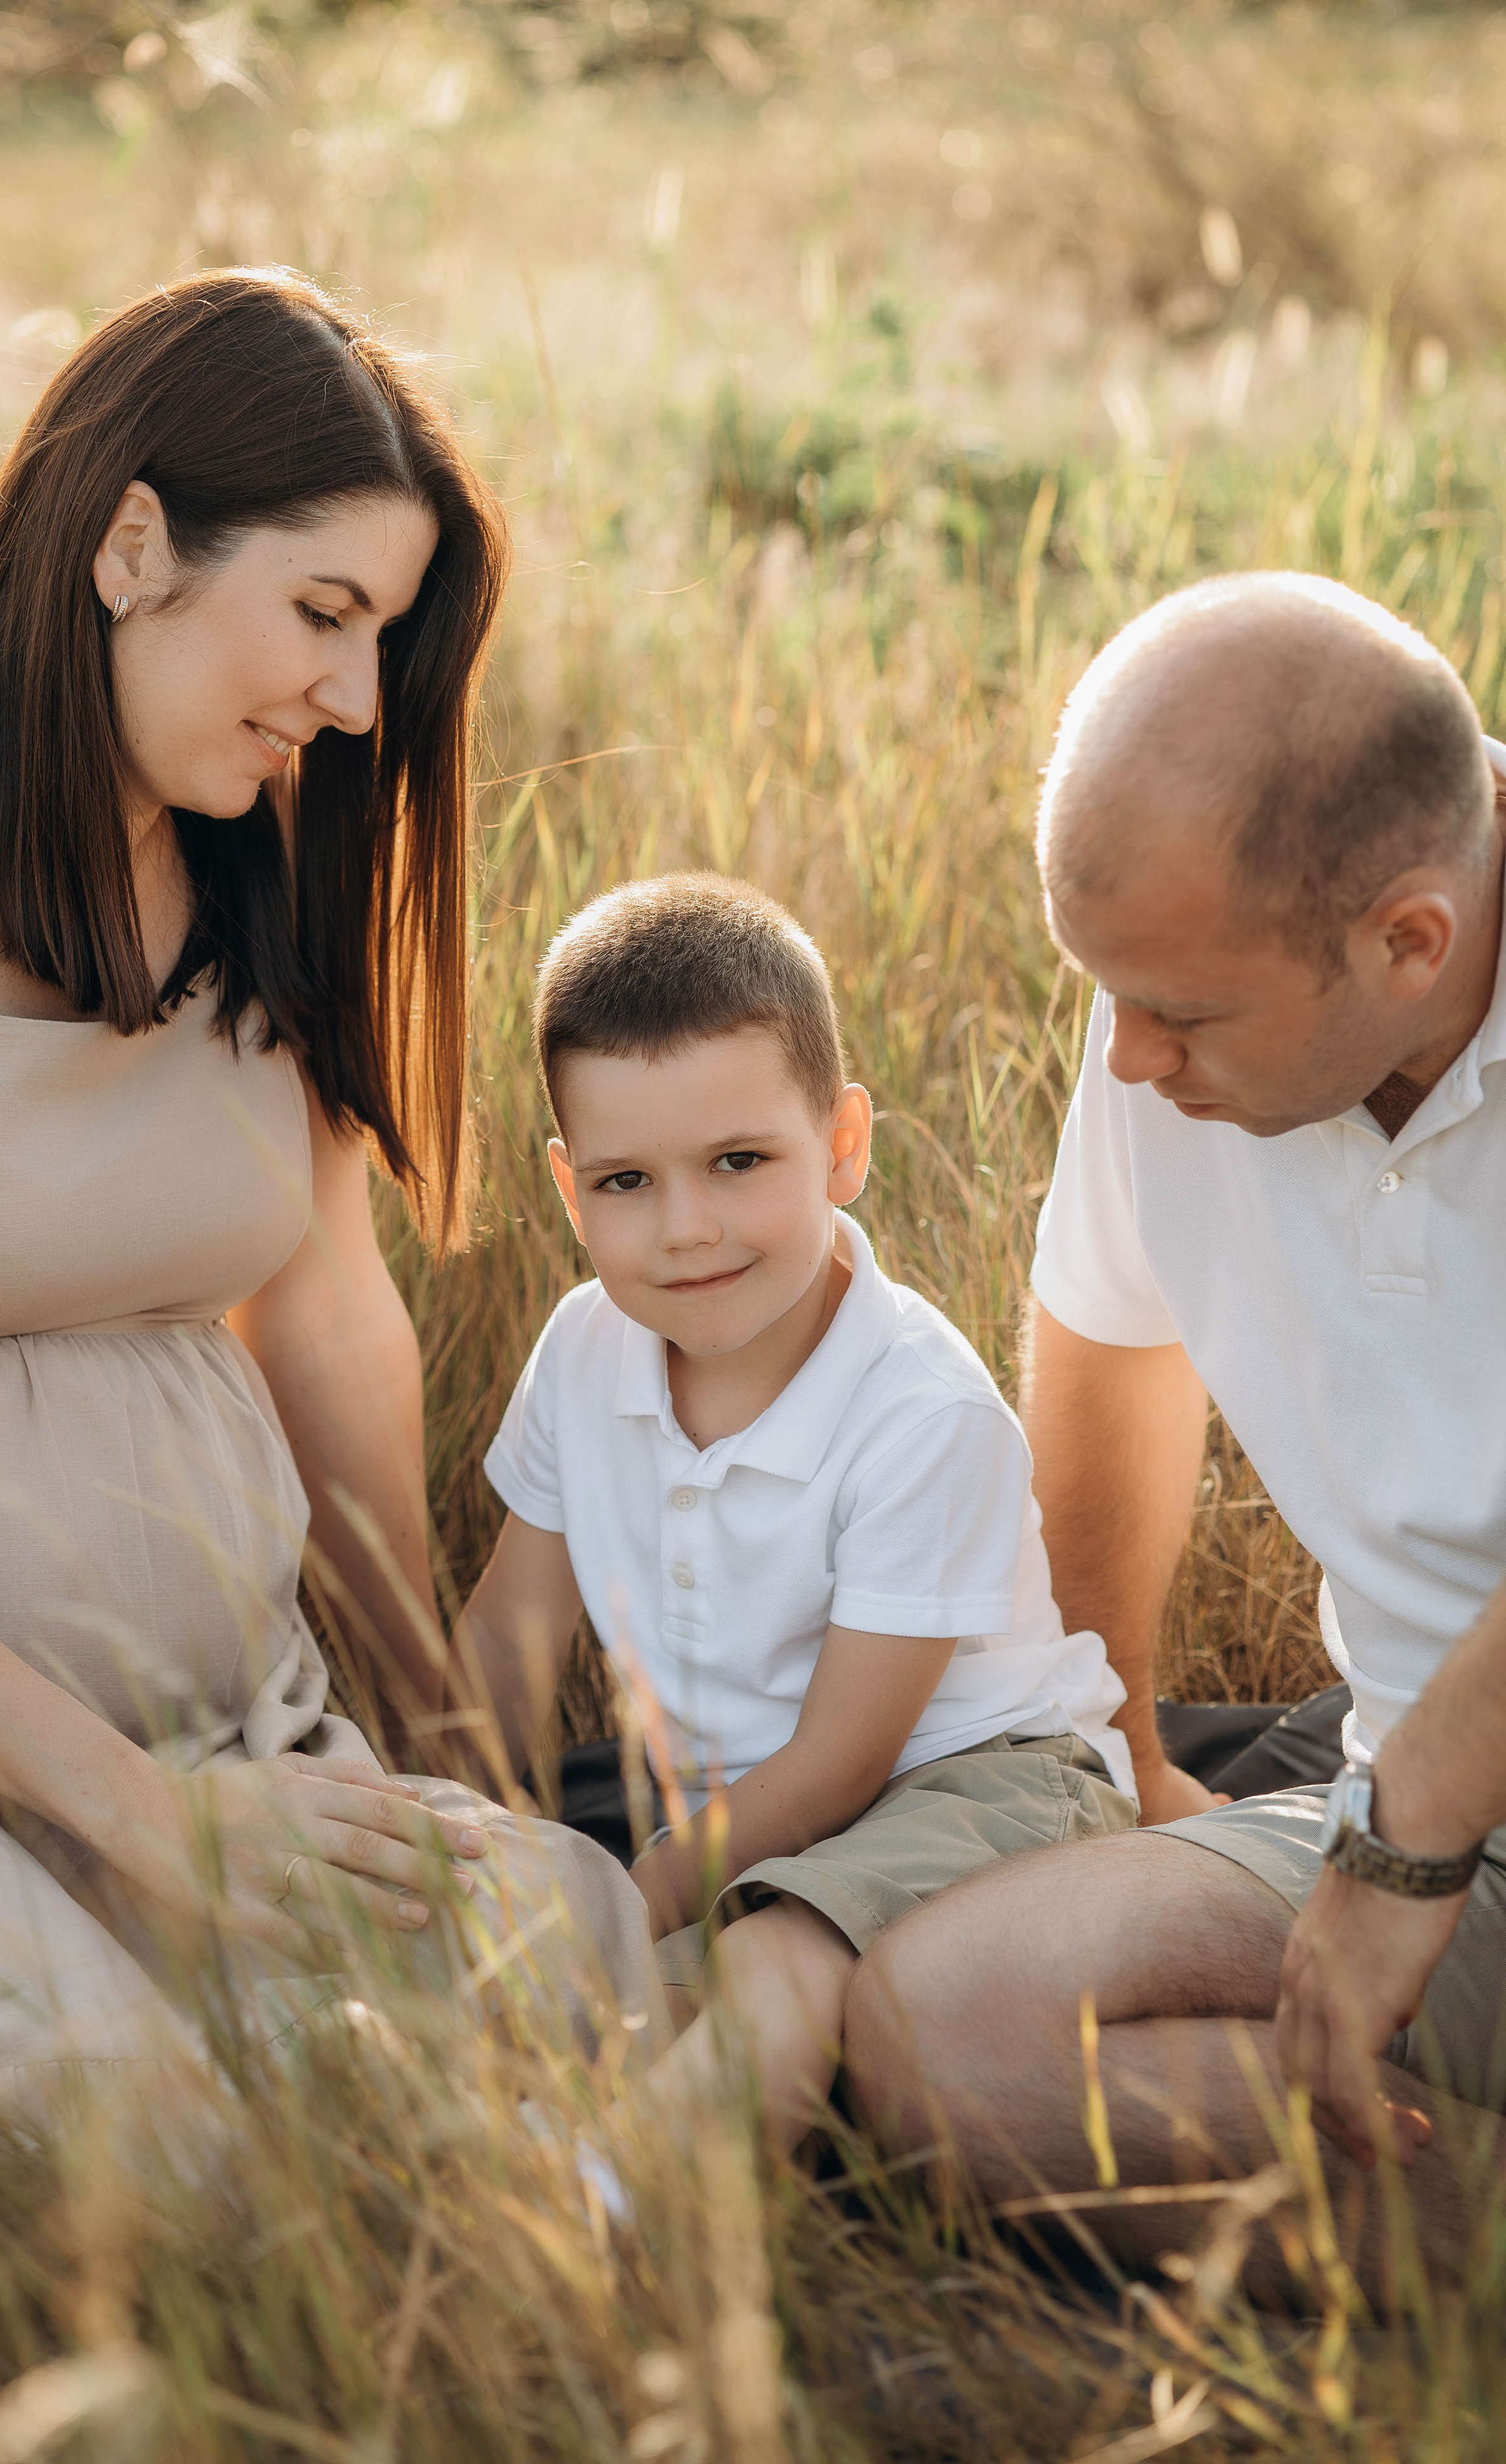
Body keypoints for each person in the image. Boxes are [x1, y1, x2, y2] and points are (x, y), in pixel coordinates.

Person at [0, 268, 660, 2102]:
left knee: (568, 1949)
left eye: (380, 634)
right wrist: (134, 1818)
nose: (359, 696)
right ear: (133, 543)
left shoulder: (252, 885)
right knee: (144, 2140)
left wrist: (438, 1758)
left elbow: (323, 1325)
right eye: (324, 611)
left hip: (226, 1736)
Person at [844, 572, 1506, 2298]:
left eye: (1184, 1016)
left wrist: (1409, 1832)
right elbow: (1111, 1342)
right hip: (1419, 1832)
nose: (1129, 1058)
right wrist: (1118, 1741)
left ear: (1410, 940)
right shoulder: (1182, 1003)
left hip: (1425, 1824)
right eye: (1112, 997)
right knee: (938, 2038)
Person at [458, 873, 1136, 2148]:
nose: (686, 1230)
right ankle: (507, 2210)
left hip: (977, 1789)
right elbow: (508, 1633)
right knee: (558, 2017)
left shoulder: (917, 1410)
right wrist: (451, 1845)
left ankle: (636, 2252)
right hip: (743, 1833)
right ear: (567, 1190)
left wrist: (617, 1899)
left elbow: (838, 1764)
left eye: (737, 1162)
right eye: (624, 1184)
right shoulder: (583, 1351)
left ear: (840, 1144)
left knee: (777, 1965)